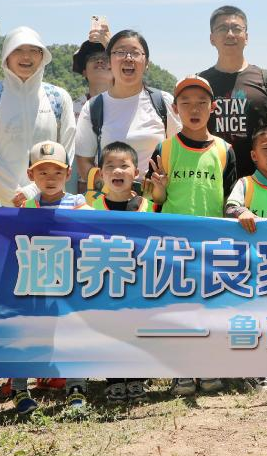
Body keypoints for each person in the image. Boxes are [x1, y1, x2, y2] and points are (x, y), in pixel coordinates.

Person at [14, 140, 89, 413]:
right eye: (42, 172)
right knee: (28, 333)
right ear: (30, 175)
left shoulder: (78, 203)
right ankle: (19, 389)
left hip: (70, 281)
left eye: (57, 172)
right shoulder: (26, 207)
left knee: (73, 333)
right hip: (34, 282)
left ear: (68, 174)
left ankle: (76, 388)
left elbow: (95, 228)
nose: (50, 178)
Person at [0, 27, 76, 205]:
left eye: (34, 51)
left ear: (42, 56)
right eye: (17, 50)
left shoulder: (59, 97)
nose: (26, 57)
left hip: (48, 199)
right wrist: (15, 194)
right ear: (6, 56)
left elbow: (66, 152)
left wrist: (34, 190)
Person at [74, 30, 180, 195]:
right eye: (120, 52)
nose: (128, 58)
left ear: (146, 63)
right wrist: (113, 188)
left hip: (158, 203)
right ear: (110, 62)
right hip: (111, 203)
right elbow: (84, 161)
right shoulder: (94, 106)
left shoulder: (163, 101)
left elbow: (181, 152)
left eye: (135, 53)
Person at [86, 141, 151, 404]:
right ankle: (114, 380)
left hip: (137, 282)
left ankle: (136, 378)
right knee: (109, 330)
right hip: (104, 281)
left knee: (136, 328)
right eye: (110, 166)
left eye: (124, 165)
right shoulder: (90, 208)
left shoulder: (147, 206)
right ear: (100, 173)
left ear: (136, 172)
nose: (117, 171)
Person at [200, 6, 267, 178]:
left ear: (246, 37)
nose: (230, 34)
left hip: (257, 180)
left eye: (236, 28)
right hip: (212, 178)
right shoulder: (201, 82)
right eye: (222, 28)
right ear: (212, 38)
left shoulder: (265, 79)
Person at [145, 75, 236, 216]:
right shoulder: (164, 149)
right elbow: (156, 200)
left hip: (211, 229)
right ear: (175, 108)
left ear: (213, 107)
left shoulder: (225, 150)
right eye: (186, 103)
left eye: (202, 102)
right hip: (172, 228)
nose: (194, 109)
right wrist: (160, 188)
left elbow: (228, 200)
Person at [71, 39, 112, 115]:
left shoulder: (128, 104)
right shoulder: (72, 110)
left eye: (106, 58)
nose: (100, 61)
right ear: (84, 72)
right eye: (93, 58)